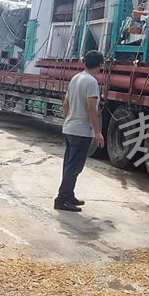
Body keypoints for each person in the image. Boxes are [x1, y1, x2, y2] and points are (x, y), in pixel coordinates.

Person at [54, 50, 105, 212]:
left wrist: (68, 120)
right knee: (74, 167)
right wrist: (97, 132)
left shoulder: (76, 78)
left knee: (69, 165)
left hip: (70, 128)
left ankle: (69, 195)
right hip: (81, 131)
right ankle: (61, 199)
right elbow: (91, 109)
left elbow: (66, 104)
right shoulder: (91, 82)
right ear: (100, 65)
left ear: (85, 62)